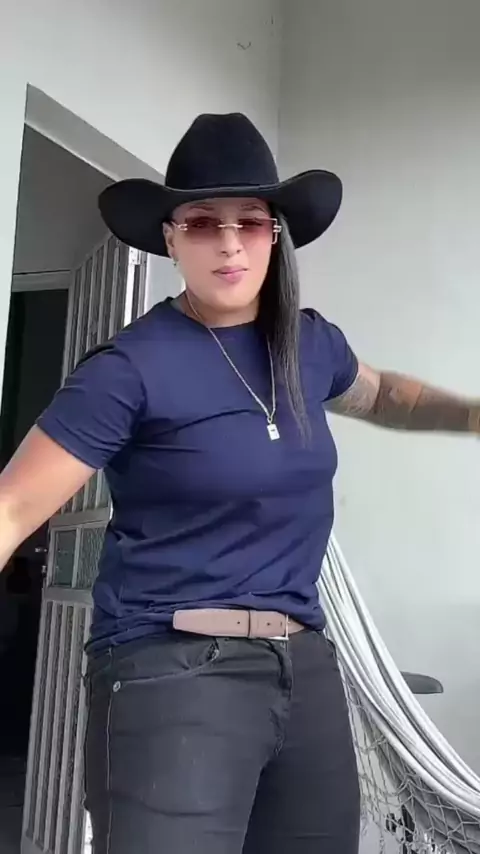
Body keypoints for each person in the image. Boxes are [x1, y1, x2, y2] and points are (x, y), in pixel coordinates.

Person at [0, 112, 477, 854]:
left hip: (305, 666)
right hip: (171, 670)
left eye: (249, 222)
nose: (229, 243)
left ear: (274, 234)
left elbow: (387, 395)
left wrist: (472, 414)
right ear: (170, 238)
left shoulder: (309, 344)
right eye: (202, 223)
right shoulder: (128, 369)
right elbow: (12, 507)